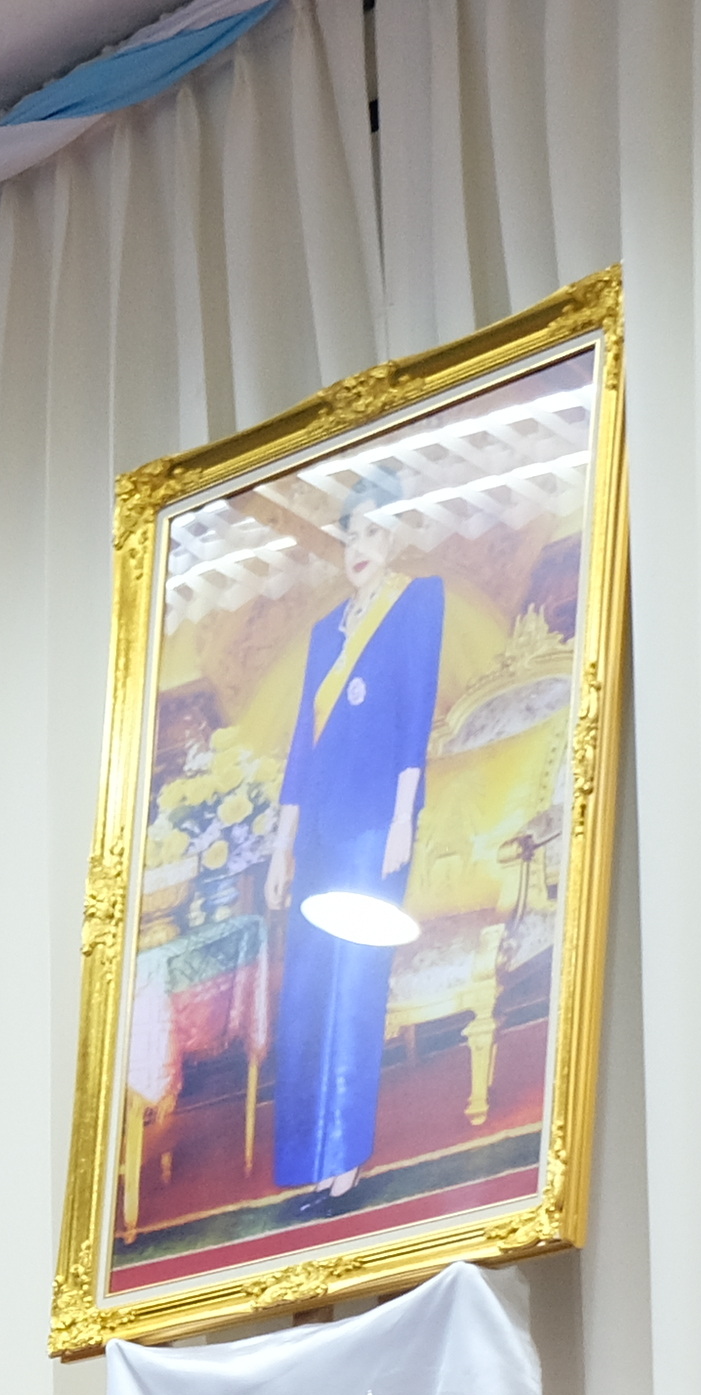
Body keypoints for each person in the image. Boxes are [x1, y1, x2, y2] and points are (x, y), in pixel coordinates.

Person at [257, 474, 448, 1214]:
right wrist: (282, 847)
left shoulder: (418, 601)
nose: (359, 549)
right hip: (321, 832)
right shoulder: (323, 633)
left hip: (377, 822)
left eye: (372, 533)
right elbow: (302, 750)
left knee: (354, 987)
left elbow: (414, 711)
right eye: (349, 537)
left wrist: (405, 816)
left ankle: (344, 1165)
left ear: (394, 537)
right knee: (307, 992)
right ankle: (306, 1162)